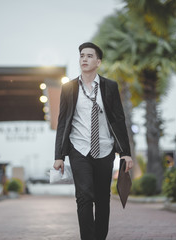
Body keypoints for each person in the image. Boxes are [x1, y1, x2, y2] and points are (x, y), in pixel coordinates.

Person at [54, 42, 134, 240]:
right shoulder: (69, 88)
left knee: (102, 198)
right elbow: (63, 122)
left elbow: (118, 119)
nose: (84, 59)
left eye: (89, 56)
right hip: (78, 148)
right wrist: (59, 156)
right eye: (82, 55)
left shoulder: (109, 87)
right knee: (84, 196)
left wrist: (125, 152)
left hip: (105, 149)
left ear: (98, 62)